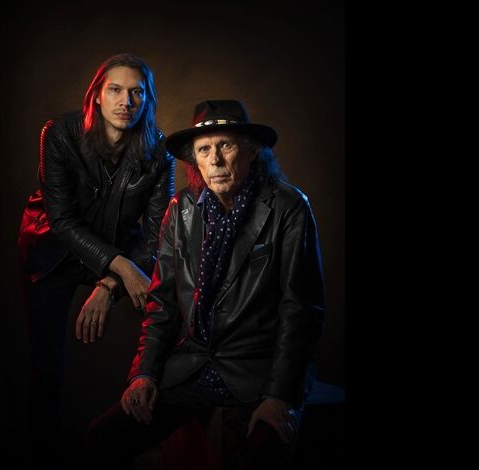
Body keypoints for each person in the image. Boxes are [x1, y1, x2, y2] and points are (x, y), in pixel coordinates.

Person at [85, 99, 326, 469]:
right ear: (194, 160)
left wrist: (279, 395)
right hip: (193, 367)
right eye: (203, 150)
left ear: (251, 152)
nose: (215, 160)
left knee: (265, 455)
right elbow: (163, 305)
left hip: (257, 373)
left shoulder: (288, 206)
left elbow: (301, 312)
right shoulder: (180, 209)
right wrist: (143, 373)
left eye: (225, 146)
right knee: (101, 437)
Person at [17, 53, 174, 468]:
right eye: (116, 90)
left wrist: (108, 284)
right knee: (45, 368)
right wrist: (121, 268)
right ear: (97, 96)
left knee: (170, 305)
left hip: (115, 249)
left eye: (137, 92)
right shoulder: (59, 134)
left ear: (147, 100)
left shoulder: (159, 151)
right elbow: (62, 221)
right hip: (52, 251)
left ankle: (155, 429)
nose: (127, 101)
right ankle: (42, 452)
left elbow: (157, 235)